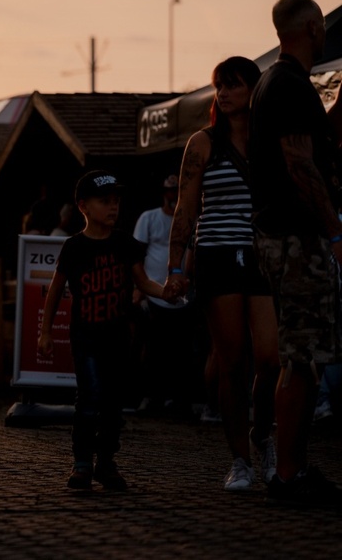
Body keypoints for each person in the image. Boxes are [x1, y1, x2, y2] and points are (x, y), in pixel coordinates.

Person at [162, 56, 279, 491]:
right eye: (218, 86)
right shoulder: (203, 142)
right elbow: (185, 209)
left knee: (269, 358)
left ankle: (262, 435)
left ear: (254, 88)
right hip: (216, 255)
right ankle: (240, 461)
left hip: (263, 256)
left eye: (232, 85)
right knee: (231, 363)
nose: (224, 93)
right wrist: (176, 266)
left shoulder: (271, 140)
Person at [248, 0, 342, 506]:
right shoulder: (286, 84)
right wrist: (336, 235)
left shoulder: (279, 83)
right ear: (311, 27)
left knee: (303, 357)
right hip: (295, 238)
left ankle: (294, 468)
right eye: (321, 27)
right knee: (302, 358)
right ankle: (288, 475)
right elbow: (300, 164)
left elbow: (314, 148)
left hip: (281, 236)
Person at [38, 170, 167, 491]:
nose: (113, 207)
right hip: (85, 337)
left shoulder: (125, 243)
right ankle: (82, 462)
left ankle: (106, 462)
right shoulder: (74, 247)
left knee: (112, 402)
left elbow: (143, 282)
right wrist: (45, 332)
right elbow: (55, 291)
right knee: (89, 397)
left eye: (116, 202)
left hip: (118, 336)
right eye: (104, 201)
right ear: (83, 206)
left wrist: (168, 292)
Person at [132, 173, 204, 419]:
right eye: (169, 192)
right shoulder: (148, 218)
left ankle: (180, 400)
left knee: (182, 351)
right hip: (155, 295)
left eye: (177, 192)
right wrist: (138, 289)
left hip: (184, 297)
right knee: (153, 349)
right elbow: (137, 255)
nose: (173, 197)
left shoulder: (193, 220)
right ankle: (152, 397)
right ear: (163, 193)